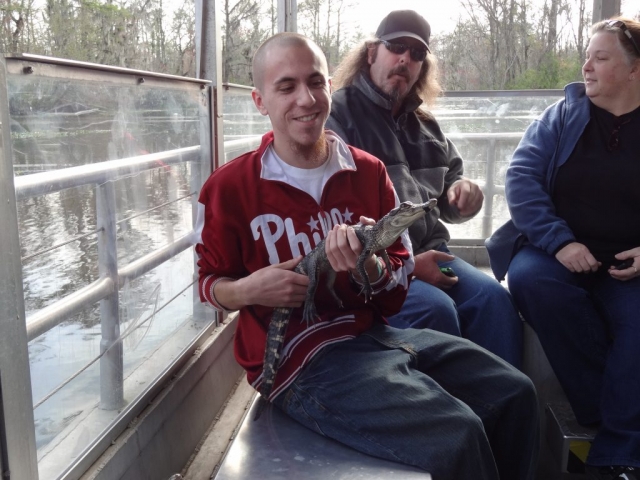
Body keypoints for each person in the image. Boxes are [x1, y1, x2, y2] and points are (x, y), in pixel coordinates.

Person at [195, 32, 539, 479]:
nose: (306, 99)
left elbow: (398, 278)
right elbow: (208, 284)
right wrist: (248, 289)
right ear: (260, 101)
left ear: (329, 88)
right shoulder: (228, 187)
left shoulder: (369, 171)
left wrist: (371, 267)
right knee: (458, 434)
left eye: (315, 82)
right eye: (286, 86)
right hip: (296, 362)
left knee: (516, 392)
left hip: (370, 335)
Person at [486, 17, 640, 480]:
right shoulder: (562, 116)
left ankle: (617, 455)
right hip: (555, 250)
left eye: (600, 57)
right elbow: (522, 179)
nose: (586, 67)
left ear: (634, 69)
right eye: (586, 57)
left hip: (628, 264)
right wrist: (561, 241)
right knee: (530, 280)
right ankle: (602, 410)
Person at [326, 9, 523, 368]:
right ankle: (446, 405)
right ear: (371, 52)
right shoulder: (338, 117)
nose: (405, 59)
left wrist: (463, 195)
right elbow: (333, 218)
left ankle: (502, 401)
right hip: (377, 267)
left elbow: (449, 194)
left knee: (494, 301)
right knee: (436, 311)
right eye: (395, 47)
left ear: (423, 66)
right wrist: (410, 267)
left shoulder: (427, 125)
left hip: (435, 253)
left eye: (417, 53)